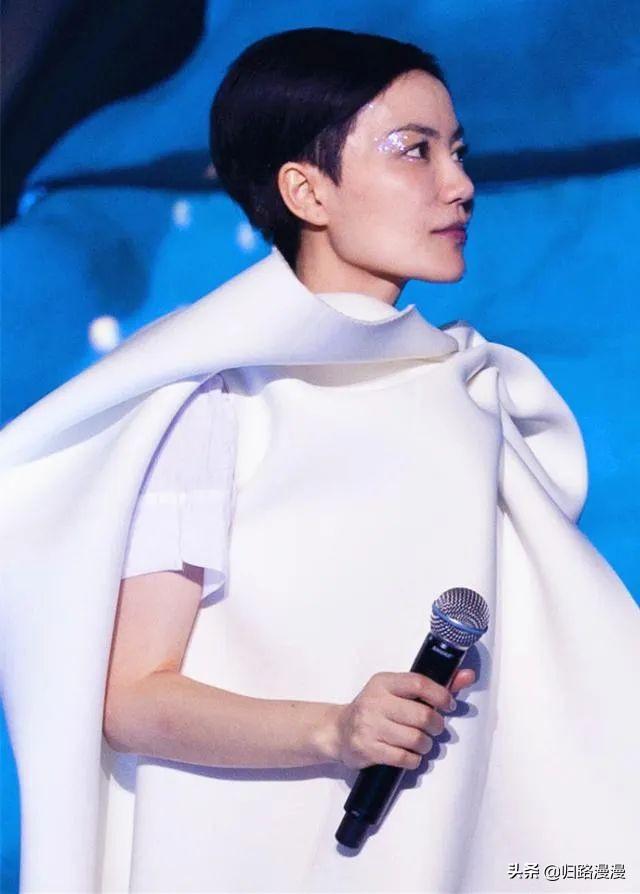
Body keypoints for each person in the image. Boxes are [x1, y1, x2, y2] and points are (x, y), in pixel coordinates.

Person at [0, 26, 638, 894]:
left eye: (457, 151)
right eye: (413, 150)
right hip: (259, 852)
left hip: (454, 844)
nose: (460, 184)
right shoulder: (217, 396)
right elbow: (132, 697)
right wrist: (334, 730)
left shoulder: (472, 386)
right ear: (307, 189)